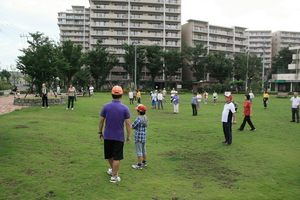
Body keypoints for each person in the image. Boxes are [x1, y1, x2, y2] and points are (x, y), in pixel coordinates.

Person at [98, 86, 131, 183]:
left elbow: (101, 121)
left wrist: (100, 132)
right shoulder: (125, 108)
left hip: (107, 135)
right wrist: (128, 136)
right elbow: (128, 123)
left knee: (109, 155)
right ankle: (114, 175)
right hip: (119, 136)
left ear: (112, 94)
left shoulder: (106, 106)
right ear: (121, 95)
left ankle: (113, 172)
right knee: (117, 156)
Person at [131, 104, 148, 170]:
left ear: (139, 111)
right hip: (143, 136)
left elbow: (133, 126)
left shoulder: (138, 119)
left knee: (139, 150)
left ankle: (139, 164)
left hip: (138, 137)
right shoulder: (145, 118)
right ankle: (144, 162)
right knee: (144, 150)